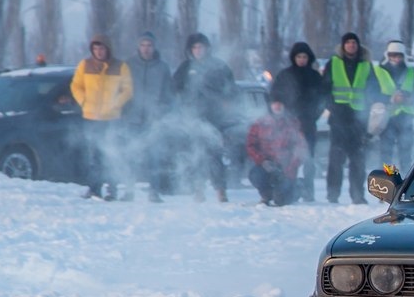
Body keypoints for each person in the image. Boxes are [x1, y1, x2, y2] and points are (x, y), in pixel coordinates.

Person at [172, 32, 238, 203]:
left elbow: (231, 88)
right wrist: (182, 104)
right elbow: (173, 88)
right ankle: (198, 189)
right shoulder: (185, 67)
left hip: (214, 118)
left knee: (214, 154)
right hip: (192, 118)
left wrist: (226, 101)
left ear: (207, 48)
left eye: (201, 47)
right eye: (194, 47)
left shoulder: (218, 66)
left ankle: (220, 190)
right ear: (190, 50)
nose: (198, 50)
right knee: (196, 154)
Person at [70, 34, 134, 200]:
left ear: (108, 49)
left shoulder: (120, 66)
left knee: (111, 154)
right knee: (94, 156)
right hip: (91, 117)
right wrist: (84, 101)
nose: (98, 52)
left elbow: (127, 90)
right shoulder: (85, 65)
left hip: (112, 118)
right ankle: (94, 188)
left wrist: (116, 103)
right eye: (95, 48)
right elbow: (76, 86)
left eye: (102, 48)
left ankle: (112, 189)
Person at [321, 31, 380, 204]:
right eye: (348, 43)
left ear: (358, 45)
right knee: (336, 159)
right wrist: (330, 105)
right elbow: (324, 88)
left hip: (358, 119)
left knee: (358, 160)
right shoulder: (334, 63)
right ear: (343, 46)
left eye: (354, 42)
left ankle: (357, 195)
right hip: (338, 117)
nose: (351, 45)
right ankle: (333, 194)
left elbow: (374, 88)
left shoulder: (366, 65)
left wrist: (370, 106)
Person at [122, 30, 174, 202]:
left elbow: (168, 94)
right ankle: (129, 191)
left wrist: (162, 111)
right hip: (132, 119)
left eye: (149, 45)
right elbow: (120, 89)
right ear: (138, 46)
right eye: (143, 45)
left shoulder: (162, 67)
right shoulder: (128, 65)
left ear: (154, 47)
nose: (146, 48)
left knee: (154, 157)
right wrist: (125, 109)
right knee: (131, 155)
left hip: (153, 120)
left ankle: (154, 192)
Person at [272, 41, 325, 202]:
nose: (302, 60)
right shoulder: (285, 75)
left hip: (308, 123)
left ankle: (309, 190)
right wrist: (279, 110)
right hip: (288, 124)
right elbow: (275, 95)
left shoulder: (315, 77)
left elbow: (322, 99)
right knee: (288, 158)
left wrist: (314, 115)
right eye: (299, 57)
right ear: (293, 58)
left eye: (304, 57)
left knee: (308, 158)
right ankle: (288, 189)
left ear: (309, 58)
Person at [245, 95, 310, 206]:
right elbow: (251, 145)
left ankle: (298, 186)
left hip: (286, 166)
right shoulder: (260, 123)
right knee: (256, 175)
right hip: (267, 164)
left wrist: (289, 169)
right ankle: (266, 195)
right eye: (274, 103)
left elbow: (301, 148)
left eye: (280, 103)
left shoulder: (292, 123)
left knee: (281, 201)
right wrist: (262, 161)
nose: (277, 106)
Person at [373, 40, 414, 168]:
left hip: (406, 116)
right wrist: (390, 99)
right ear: (388, 55)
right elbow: (372, 93)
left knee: (406, 152)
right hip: (387, 117)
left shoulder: (410, 71)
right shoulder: (378, 71)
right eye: (393, 55)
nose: (396, 58)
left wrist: (410, 99)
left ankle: (405, 177)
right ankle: (388, 177)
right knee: (386, 153)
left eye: (399, 55)